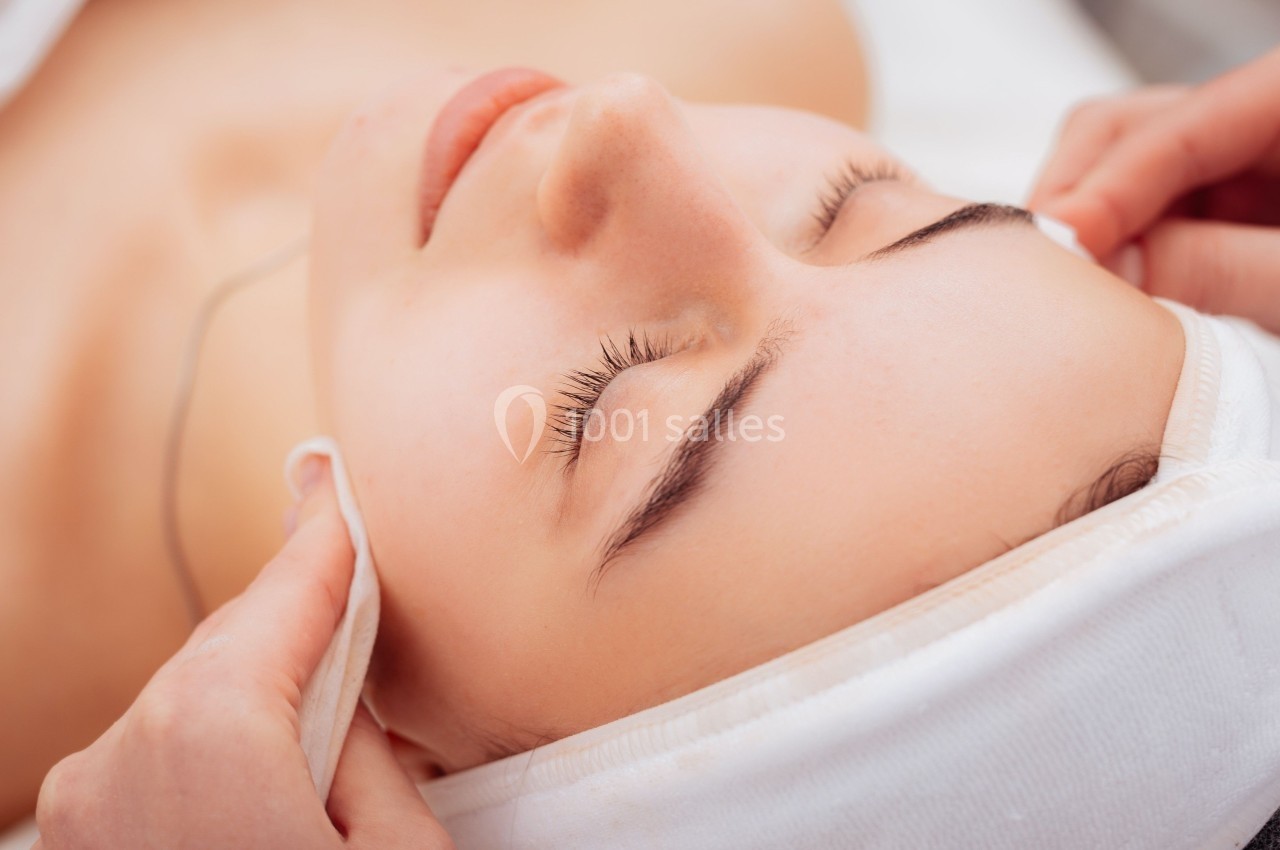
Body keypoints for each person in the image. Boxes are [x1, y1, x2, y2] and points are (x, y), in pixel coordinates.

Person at [11, 14, 1280, 850]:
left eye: (613, 404)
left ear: (401, 754)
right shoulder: (752, 22)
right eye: (861, 205)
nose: (626, 117)